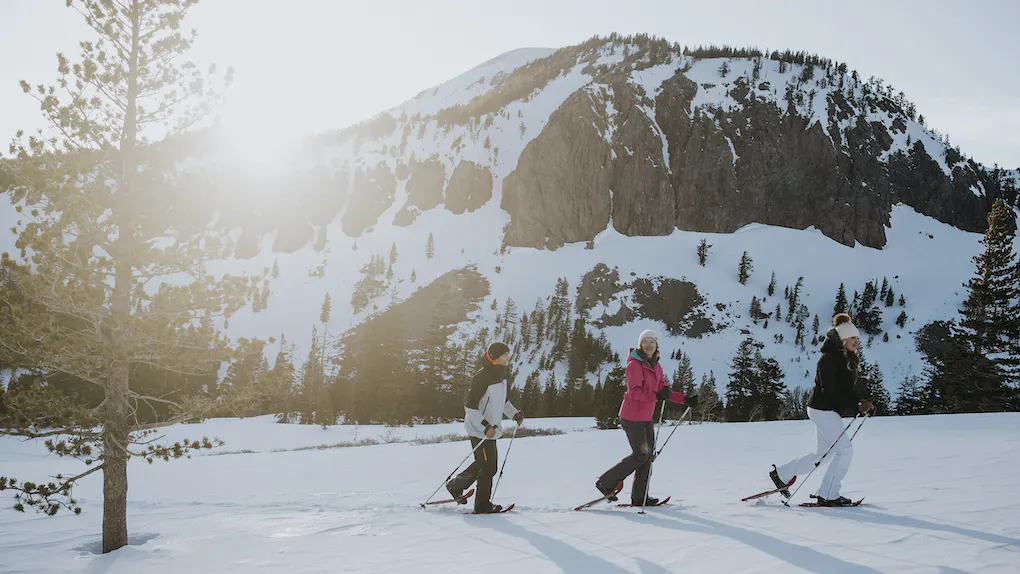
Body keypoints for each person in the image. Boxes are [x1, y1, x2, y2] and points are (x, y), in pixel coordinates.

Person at [769, 313, 876, 506]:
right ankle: (828, 494)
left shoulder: (845, 358)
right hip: (822, 410)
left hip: (826, 410)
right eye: (853, 338)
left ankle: (782, 475)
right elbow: (830, 391)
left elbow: (845, 390)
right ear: (843, 338)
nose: (856, 342)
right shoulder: (828, 360)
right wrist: (856, 405)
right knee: (845, 451)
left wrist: (861, 401)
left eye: (857, 338)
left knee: (824, 453)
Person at [595, 329, 698, 506]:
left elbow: (664, 391)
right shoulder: (634, 365)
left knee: (647, 457)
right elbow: (634, 392)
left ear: (656, 345)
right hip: (631, 416)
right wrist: (656, 396)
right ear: (640, 345)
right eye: (645, 341)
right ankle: (605, 483)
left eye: (652, 341)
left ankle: (639, 497)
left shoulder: (655, 366)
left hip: (645, 418)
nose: (649, 345)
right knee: (640, 455)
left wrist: (685, 399)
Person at [446, 342, 523, 514]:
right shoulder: (482, 377)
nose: (508, 358)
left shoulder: (501, 376)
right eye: (505, 355)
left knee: (486, 465)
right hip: (479, 429)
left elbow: (502, 401)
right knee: (487, 467)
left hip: (491, 430)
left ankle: (456, 485)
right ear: (495, 357)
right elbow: (470, 406)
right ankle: (481, 505)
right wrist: (485, 426)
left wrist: (514, 414)